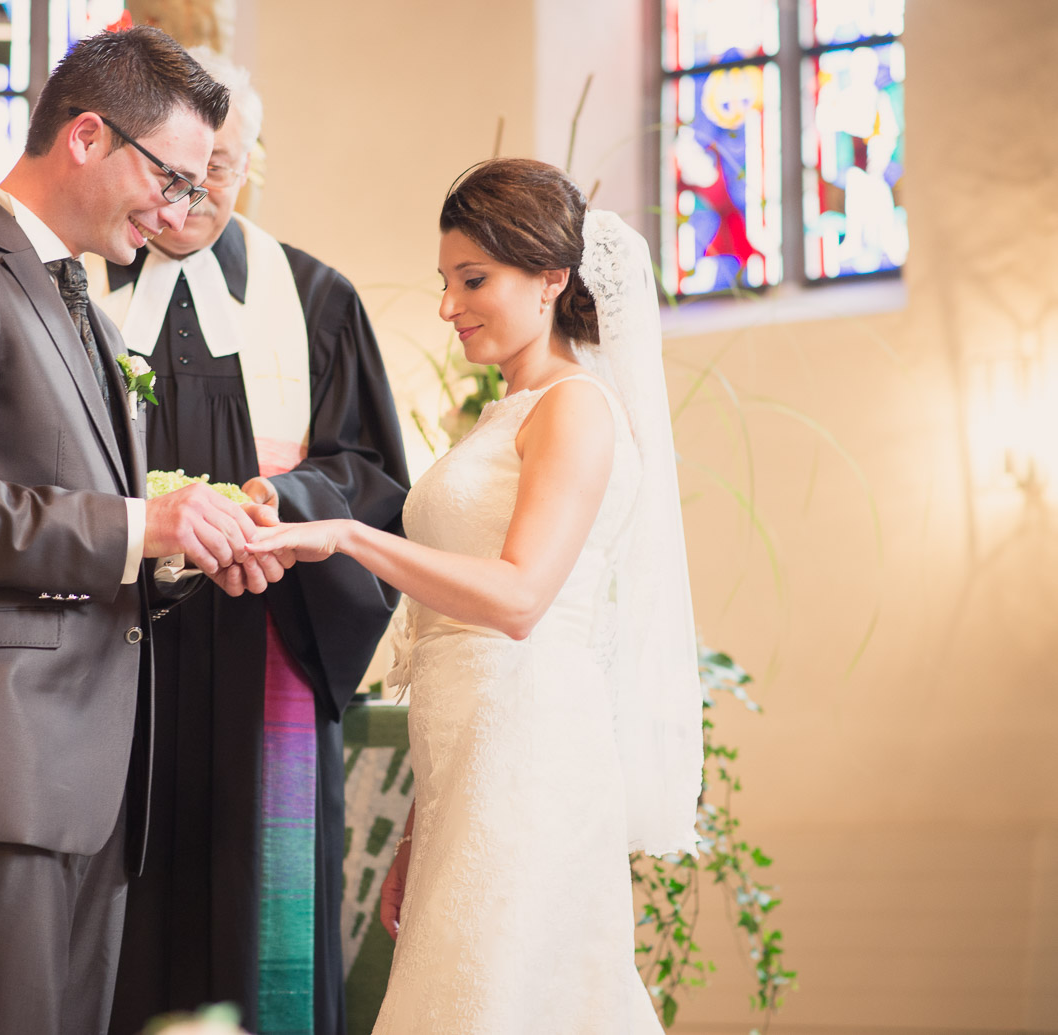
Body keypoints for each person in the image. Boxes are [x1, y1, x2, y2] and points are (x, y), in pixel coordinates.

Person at [0, 27, 293, 1035]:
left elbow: (75, 513)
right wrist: (141, 520)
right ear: (86, 136)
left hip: (79, 779)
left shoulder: (78, 299)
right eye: (168, 178)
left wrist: (184, 545)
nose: (178, 212)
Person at [247, 159, 706, 1033]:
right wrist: (420, 827)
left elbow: (520, 598)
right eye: (446, 282)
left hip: (535, 757)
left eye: (474, 279)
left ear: (551, 278)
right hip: (471, 766)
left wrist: (343, 535)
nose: (451, 305)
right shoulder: (508, 412)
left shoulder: (575, 408)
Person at [91, 50, 410, 1035]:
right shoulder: (74, 296)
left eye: (218, 167)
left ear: (249, 161)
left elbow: (371, 478)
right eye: (174, 171)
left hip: (260, 650)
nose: (192, 195)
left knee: (257, 923)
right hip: (106, 654)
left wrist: (284, 500)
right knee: (110, 931)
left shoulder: (313, 300)